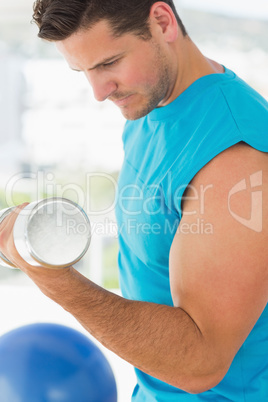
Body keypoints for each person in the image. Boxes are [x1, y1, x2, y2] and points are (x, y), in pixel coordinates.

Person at [1, 1, 267, 400]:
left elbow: (201, 362)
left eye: (109, 62)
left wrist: (53, 278)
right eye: (84, 71)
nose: (97, 91)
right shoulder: (150, 103)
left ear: (162, 22)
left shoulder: (235, 156)